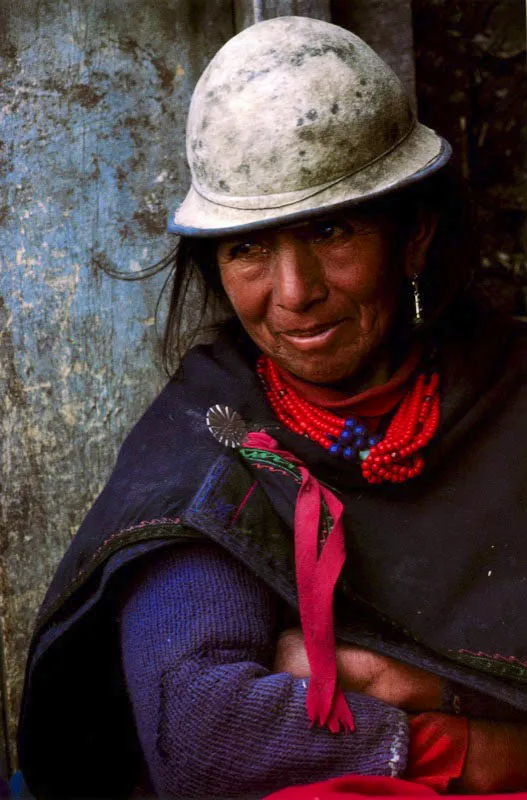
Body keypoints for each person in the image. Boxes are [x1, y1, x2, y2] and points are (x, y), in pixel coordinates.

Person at [18, 16, 527, 800]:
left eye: (331, 230)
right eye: (248, 248)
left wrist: (400, 683)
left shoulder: (506, 392)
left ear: (414, 237)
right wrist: (474, 750)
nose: (292, 294)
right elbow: (204, 733)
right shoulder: (209, 434)